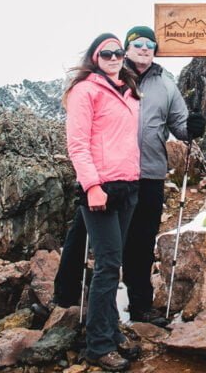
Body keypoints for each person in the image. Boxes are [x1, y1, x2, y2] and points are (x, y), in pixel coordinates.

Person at [54, 26, 206, 326]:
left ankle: (139, 306)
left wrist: (192, 128)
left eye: (150, 44)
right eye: (137, 44)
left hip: (148, 173)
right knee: (83, 236)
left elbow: (179, 125)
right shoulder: (111, 78)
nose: (144, 49)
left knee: (140, 240)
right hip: (108, 175)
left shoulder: (166, 84)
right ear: (126, 49)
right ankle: (65, 299)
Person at [63, 33, 142, 371]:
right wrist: (92, 186)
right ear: (95, 58)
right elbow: (77, 144)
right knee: (108, 265)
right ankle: (98, 344)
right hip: (101, 188)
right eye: (106, 53)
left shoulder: (129, 90)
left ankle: (111, 330)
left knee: (113, 262)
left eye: (118, 52)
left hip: (127, 185)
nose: (113, 57)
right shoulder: (85, 91)